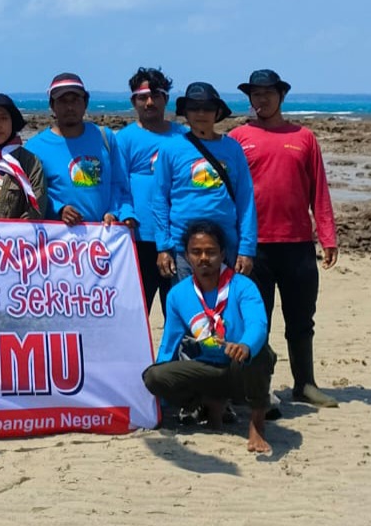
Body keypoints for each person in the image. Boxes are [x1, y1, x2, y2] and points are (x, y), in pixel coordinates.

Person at [230, 68, 339, 408]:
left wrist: (327, 235)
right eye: (256, 94)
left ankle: (304, 383)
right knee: (255, 321)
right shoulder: (237, 138)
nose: (262, 99)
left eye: (268, 93)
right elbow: (227, 193)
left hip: (297, 245)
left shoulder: (304, 137)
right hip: (252, 247)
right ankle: (256, 388)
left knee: (301, 318)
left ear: (281, 96)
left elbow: (318, 190)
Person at [142, 220, 277, 454]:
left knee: (260, 352)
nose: (203, 258)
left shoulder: (243, 286)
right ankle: (210, 403)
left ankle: (257, 423)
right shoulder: (178, 294)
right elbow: (169, 344)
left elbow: (258, 324)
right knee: (154, 376)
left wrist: (245, 346)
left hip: (240, 367)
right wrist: (157, 404)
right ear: (186, 255)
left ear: (223, 254)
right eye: (196, 252)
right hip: (207, 369)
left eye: (211, 252)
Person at [153, 82, 257, 282]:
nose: (201, 113)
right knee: (189, 310)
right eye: (194, 107)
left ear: (217, 112)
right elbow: (160, 200)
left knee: (225, 309)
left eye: (208, 107)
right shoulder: (170, 148)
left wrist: (247, 248)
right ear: (185, 112)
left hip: (226, 247)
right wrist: (163, 247)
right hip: (183, 249)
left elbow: (246, 200)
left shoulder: (233, 148)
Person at [115, 67, 187, 313]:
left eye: (156, 95)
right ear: (133, 101)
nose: (149, 102)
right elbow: (118, 185)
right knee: (136, 312)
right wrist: (125, 213)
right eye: (142, 97)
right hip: (138, 238)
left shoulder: (184, 137)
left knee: (179, 312)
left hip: (178, 235)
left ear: (166, 99)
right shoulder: (123, 139)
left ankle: (175, 354)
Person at [24, 73, 134, 227]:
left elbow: (119, 184)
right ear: (52, 105)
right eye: (62, 101)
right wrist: (58, 209)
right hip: (60, 242)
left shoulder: (104, 137)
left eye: (75, 100)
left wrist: (114, 212)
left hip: (103, 238)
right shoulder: (34, 147)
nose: (69, 107)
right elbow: (30, 194)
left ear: (85, 103)